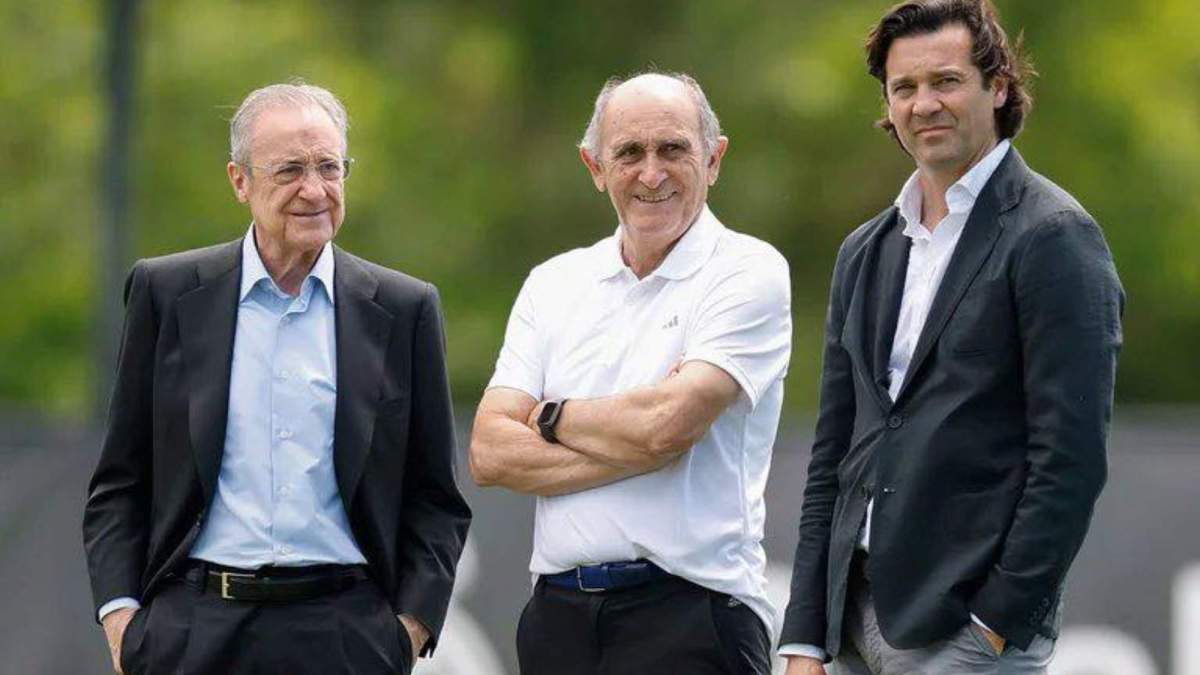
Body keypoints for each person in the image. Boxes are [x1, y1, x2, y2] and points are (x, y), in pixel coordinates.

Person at [779, 1, 1124, 673]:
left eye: (946, 81)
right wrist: (805, 633)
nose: (923, 103)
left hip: (965, 633)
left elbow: (1071, 457)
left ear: (998, 87)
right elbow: (834, 454)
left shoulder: (1055, 238)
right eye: (904, 88)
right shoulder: (866, 250)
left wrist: (998, 620)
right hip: (850, 623)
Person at [82, 81, 471, 675]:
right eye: (290, 169)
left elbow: (436, 499)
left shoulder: (404, 308)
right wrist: (122, 621)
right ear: (240, 180)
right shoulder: (167, 293)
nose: (313, 189)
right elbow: (120, 480)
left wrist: (407, 631)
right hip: (191, 632)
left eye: (329, 167)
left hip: (347, 635)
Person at [468, 71, 791, 675]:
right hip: (558, 619)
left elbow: (666, 425)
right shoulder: (553, 282)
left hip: (694, 617)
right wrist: (639, 444)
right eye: (629, 153)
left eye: (674, 149)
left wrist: (549, 416)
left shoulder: (748, 271)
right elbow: (489, 452)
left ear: (714, 159)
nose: (651, 173)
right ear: (595, 167)